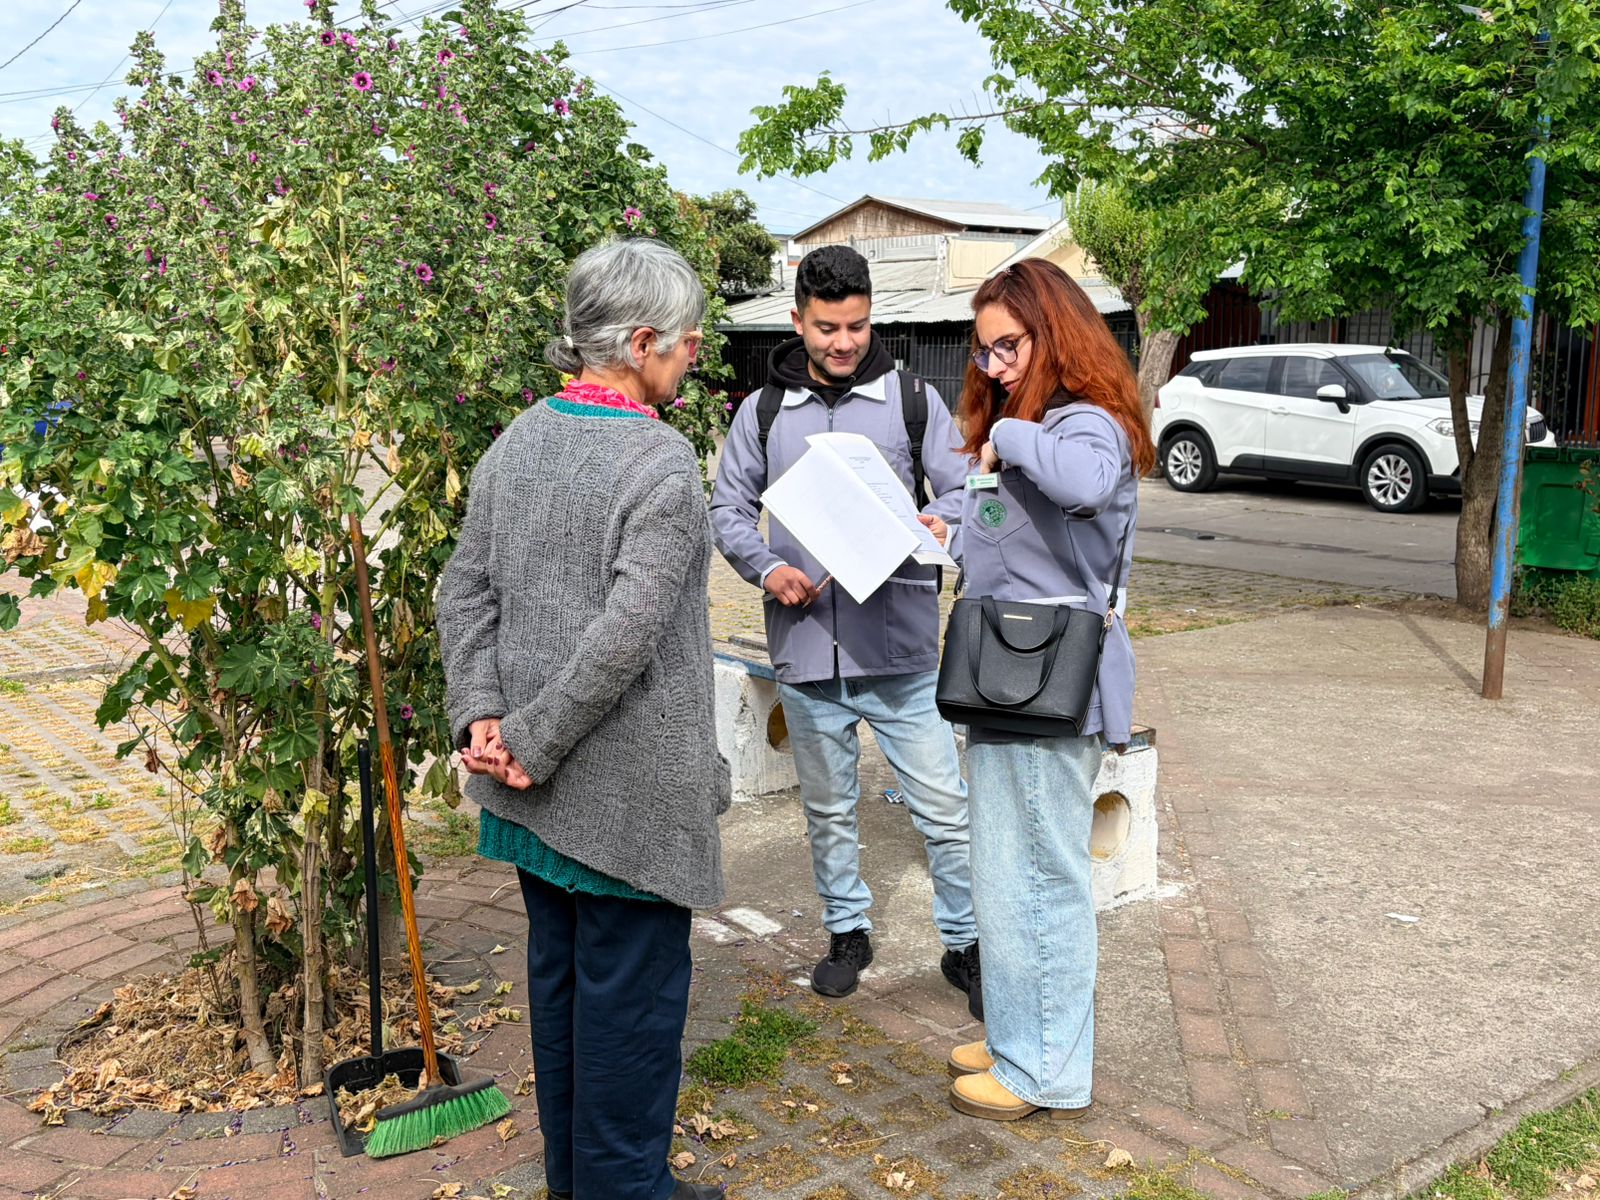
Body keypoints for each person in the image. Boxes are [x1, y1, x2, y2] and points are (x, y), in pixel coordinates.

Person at [438, 238, 729, 1200]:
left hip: (535, 801)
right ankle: (625, 1190)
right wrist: (524, 735)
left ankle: (583, 1181)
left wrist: (485, 716)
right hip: (623, 801)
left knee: (564, 1000)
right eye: (687, 342)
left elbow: (461, 590)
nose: (693, 356)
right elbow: (626, 637)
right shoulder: (659, 460)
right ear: (640, 342)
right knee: (631, 1021)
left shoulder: (519, 437)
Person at [710, 244, 982, 1014]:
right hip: (803, 653)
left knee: (943, 807)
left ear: (871, 319)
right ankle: (847, 931)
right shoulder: (762, 414)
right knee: (828, 809)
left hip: (898, 654)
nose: (842, 342)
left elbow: (965, 494)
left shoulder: (913, 402)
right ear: (797, 322)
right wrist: (768, 569)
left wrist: (939, 521)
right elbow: (728, 510)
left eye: (857, 327)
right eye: (827, 327)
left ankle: (964, 946)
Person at [936, 258, 1155, 1122]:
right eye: (984, 352)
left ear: (1055, 333)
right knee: (1006, 872)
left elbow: (1088, 483)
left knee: (1039, 877)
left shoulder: (1083, 425)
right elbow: (1003, 544)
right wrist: (946, 525)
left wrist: (1008, 439)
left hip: (1047, 683)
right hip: (1007, 677)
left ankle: (1046, 1073)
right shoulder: (1034, 425)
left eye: (1009, 346)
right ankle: (1021, 1036)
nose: (995, 367)